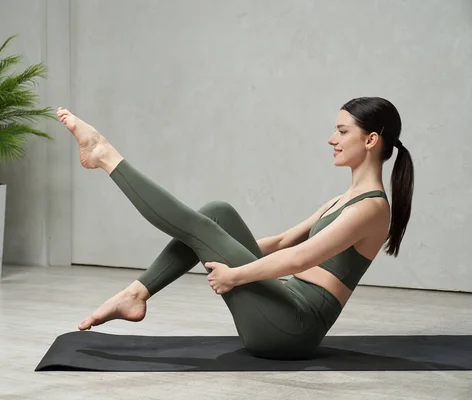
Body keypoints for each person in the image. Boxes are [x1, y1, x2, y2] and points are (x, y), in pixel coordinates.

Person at [56, 96, 414, 360]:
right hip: (283, 304)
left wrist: (235, 275)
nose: (331, 139)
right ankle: (135, 294)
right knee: (215, 214)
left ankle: (104, 154)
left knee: (203, 227)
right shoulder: (346, 198)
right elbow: (284, 241)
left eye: (341, 131)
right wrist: (214, 244)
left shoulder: (371, 207)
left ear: (370, 140)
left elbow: (299, 258)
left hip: (292, 329)